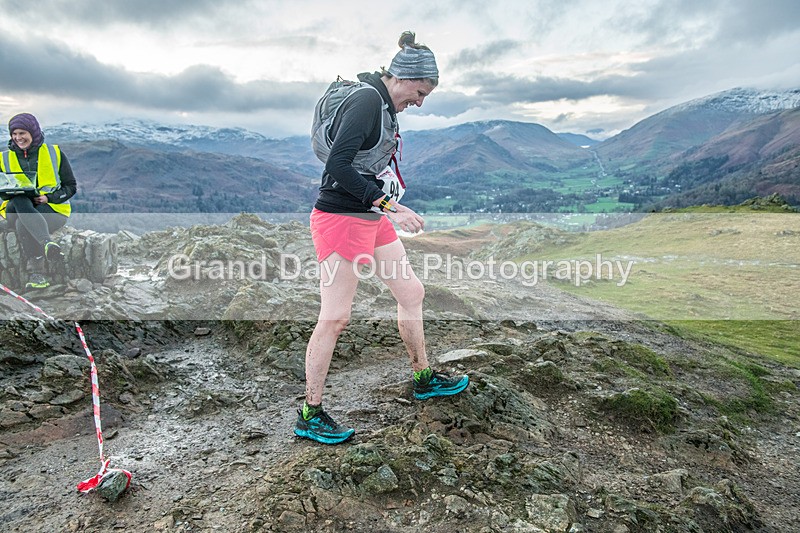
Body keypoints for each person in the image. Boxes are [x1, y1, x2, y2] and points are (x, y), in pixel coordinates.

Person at [294, 31, 469, 445]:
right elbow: (338, 163)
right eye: (420, 92)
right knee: (335, 318)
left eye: (426, 96)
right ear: (403, 77)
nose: (421, 102)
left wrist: (381, 207)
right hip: (340, 219)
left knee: (411, 292)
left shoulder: (385, 105)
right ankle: (310, 413)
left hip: (369, 216)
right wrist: (390, 206)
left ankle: (423, 378)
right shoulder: (367, 101)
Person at [0, 113, 76, 289]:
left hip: (52, 211)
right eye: (14, 134)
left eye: (22, 133)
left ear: (33, 132)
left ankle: (37, 275)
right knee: (19, 199)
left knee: (22, 224)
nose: (18, 138)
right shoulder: (3, 158)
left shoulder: (55, 153)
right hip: (13, 208)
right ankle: (47, 243)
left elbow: (71, 187)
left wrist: (49, 198)